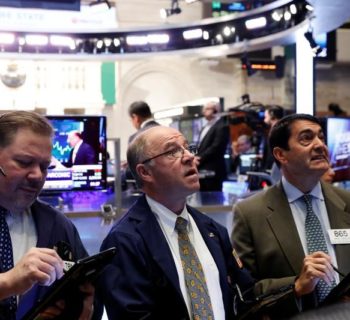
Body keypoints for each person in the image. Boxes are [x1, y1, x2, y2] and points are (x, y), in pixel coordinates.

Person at [95, 125, 255, 319]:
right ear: (145, 172)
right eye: (172, 151)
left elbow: (243, 293)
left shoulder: (213, 230)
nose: (188, 157)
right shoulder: (124, 241)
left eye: (187, 148)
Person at [232, 113, 350, 316]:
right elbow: (244, 293)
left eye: (321, 137)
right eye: (306, 138)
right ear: (280, 155)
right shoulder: (249, 213)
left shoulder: (347, 202)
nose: (320, 144)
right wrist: (296, 285)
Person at [0, 111, 93, 319]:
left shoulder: (59, 225)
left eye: (45, 166)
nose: (37, 176)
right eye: (24, 162)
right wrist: (8, 283)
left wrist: (83, 309)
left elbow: (86, 296)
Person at [195, 101, 229, 191]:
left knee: (213, 201)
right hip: (202, 170)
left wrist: (199, 159)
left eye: (206, 109)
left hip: (213, 170)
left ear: (215, 110)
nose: (203, 112)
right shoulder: (205, 127)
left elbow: (216, 147)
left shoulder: (222, 126)